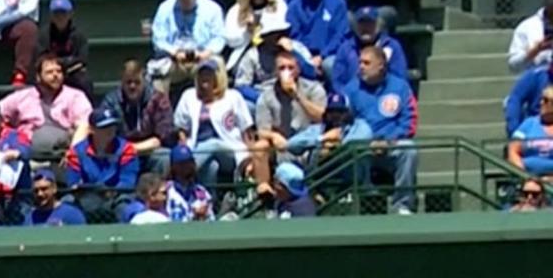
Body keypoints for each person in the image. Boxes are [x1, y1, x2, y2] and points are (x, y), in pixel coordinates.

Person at [348, 43, 417, 213]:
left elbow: (410, 121)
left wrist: (388, 141)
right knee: (351, 149)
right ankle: (366, 201)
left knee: (409, 150)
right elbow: (343, 123)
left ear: (380, 65)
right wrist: (368, 143)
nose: (361, 67)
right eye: (360, 63)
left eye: (366, 63)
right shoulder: (351, 89)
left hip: (391, 144)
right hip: (363, 147)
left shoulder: (400, 87)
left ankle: (402, 204)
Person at [249, 49, 329, 190]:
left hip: (309, 144)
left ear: (298, 69)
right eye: (282, 68)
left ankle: (319, 190)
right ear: (275, 71)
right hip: (280, 146)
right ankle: (264, 188)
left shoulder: (314, 89)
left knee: (327, 145)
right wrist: (274, 136)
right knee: (260, 146)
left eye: (291, 68)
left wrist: (297, 96)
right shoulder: (267, 96)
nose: (287, 72)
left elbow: (322, 118)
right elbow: (262, 130)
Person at [174, 58, 255, 186]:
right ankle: (209, 200)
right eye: (201, 73)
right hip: (197, 149)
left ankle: (184, 170)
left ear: (217, 76)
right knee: (212, 166)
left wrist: (251, 157)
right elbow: (182, 131)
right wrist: (184, 147)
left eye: (209, 73)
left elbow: (246, 130)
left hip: (230, 150)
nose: (204, 77)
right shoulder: (189, 96)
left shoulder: (233, 96)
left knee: (213, 144)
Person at [0, 53, 94, 160]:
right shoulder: (23, 97)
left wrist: (73, 153)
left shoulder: (75, 96)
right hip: (25, 156)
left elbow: (85, 124)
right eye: (49, 72)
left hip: (62, 157)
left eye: (59, 71)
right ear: (38, 77)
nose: (55, 75)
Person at [151, 0, 228, 90]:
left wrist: (206, 53)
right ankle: (160, 106)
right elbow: (158, 39)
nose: (187, 1)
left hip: (202, 57)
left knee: (218, 65)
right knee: (158, 72)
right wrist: (174, 52)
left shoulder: (212, 9)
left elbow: (219, 38)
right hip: (175, 59)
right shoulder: (165, 8)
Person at [65, 107, 142, 221]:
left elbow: (128, 181)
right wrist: (94, 191)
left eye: (112, 125)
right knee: (68, 204)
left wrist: (111, 192)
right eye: (104, 127)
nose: (110, 130)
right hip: (88, 197)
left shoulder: (126, 149)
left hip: (117, 197)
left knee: (127, 206)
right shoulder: (76, 152)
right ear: (92, 129)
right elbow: (73, 182)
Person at [106, 59, 181, 172]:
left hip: (150, 152)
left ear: (144, 81)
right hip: (121, 152)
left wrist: (136, 148)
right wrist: (130, 149)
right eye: (128, 82)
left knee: (164, 156)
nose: (132, 86)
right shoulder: (112, 101)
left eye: (137, 82)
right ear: (122, 82)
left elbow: (165, 135)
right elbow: (105, 135)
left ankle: (156, 189)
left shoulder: (158, 99)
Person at [289, 0, 353, 81]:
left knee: (330, 64)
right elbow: (294, 38)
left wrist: (322, 57)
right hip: (304, 57)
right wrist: (308, 59)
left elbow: (340, 36)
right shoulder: (294, 7)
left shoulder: (337, 3)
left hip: (330, 56)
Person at [224, 0, 291, 88]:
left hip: (272, 48)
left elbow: (282, 25)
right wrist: (247, 30)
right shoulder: (236, 10)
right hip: (247, 51)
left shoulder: (278, 2)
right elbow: (230, 40)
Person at [331, 6, 407, 93]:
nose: (365, 28)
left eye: (370, 23)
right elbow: (337, 82)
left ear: (379, 25)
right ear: (355, 26)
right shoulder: (345, 48)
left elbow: (400, 77)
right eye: (361, 23)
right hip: (353, 98)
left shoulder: (392, 46)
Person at [38, 0, 93, 99]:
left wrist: (61, 64)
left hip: (72, 73)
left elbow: (82, 60)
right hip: (51, 71)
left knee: (85, 82)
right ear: (51, 15)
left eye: (63, 13)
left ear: (70, 14)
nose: (60, 17)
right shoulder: (44, 34)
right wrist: (61, 65)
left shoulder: (78, 35)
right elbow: (41, 58)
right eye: (56, 13)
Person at [509, 0, 553, 73]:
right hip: (537, 81)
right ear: (548, 5)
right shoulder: (527, 27)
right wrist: (533, 52)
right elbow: (513, 66)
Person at [509, 85, 553, 176]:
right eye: (541, 99)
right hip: (529, 178)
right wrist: (525, 176)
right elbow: (513, 151)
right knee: (531, 189)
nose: (541, 103)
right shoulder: (529, 123)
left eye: (545, 100)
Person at [165, 145, 218, 218]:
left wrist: (202, 215)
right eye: (181, 164)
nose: (186, 166)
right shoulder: (166, 190)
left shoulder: (201, 192)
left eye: (188, 162)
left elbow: (211, 219)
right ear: (173, 166)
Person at [24, 168, 89, 223]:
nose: (40, 194)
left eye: (44, 189)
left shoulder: (71, 214)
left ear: (54, 189)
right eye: (36, 190)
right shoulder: (31, 218)